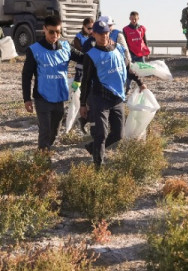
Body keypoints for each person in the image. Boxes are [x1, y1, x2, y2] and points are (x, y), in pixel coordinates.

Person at [78, 20, 146, 167]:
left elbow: (128, 69)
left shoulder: (119, 49)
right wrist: (83, 104)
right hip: (99, 98)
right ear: (94, 34)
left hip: (117, 99)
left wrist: (140, 82)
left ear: (109, 32)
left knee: (118, 134)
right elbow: (86, 81)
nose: (104, 36)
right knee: (101, 134)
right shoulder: (91, 55)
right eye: (100, 34)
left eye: (106, 33)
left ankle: (92, 148)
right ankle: (98, 165)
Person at [22, 16, 85, 154]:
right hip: (42, 98)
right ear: (44, 29)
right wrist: (27, 99)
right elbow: (26, 76)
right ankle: (43, 159)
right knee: (45, 131)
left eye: (58, 32)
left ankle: (43, 151)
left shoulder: (66, 47)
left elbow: (84, 58)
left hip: (59, 97)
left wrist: (102, 48)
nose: (55, 35)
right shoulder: (34, 50)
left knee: (54, 132)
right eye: (51, 32)